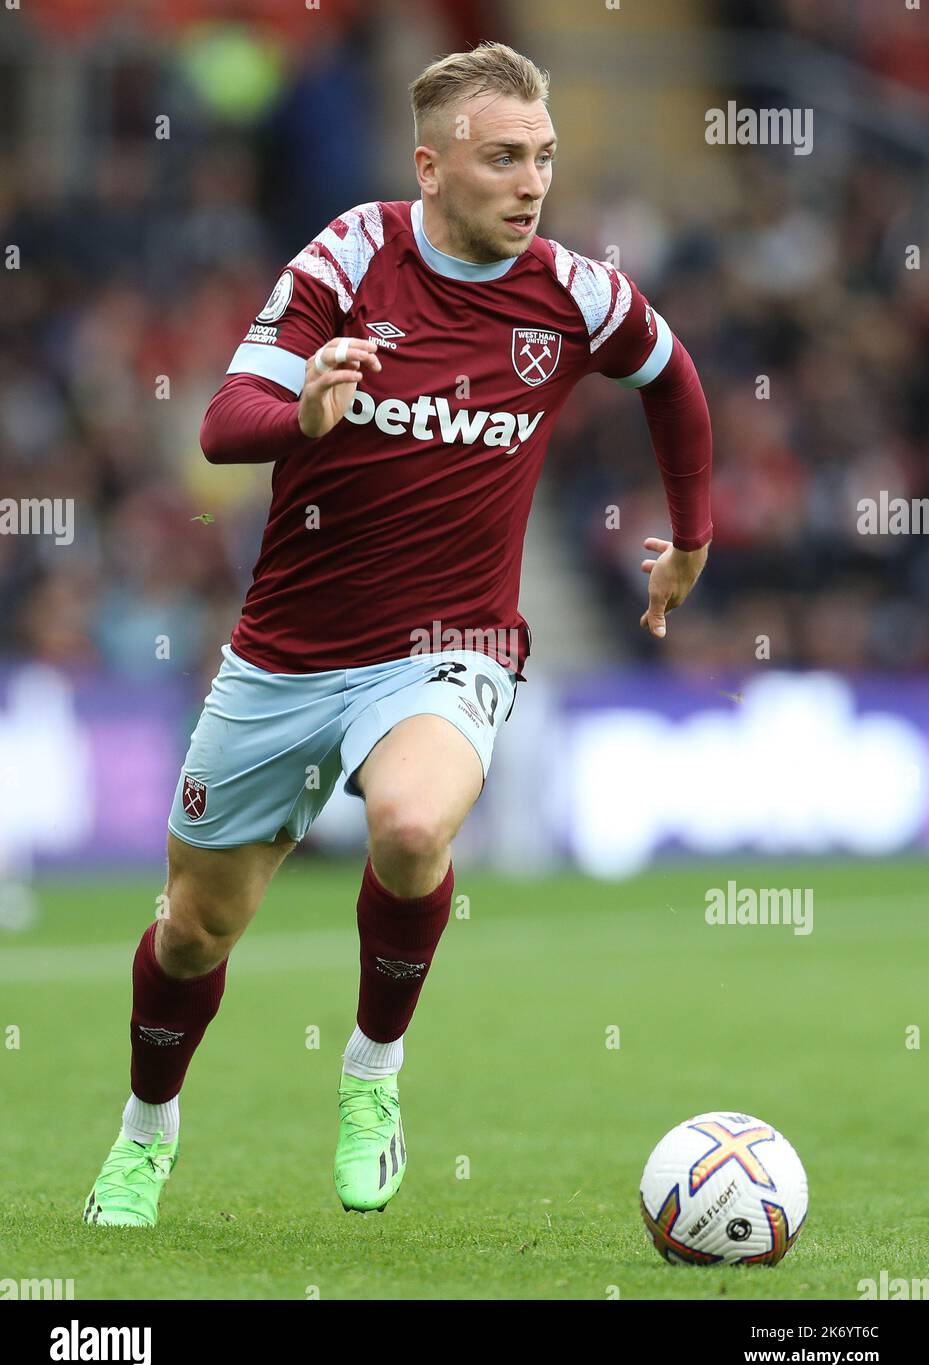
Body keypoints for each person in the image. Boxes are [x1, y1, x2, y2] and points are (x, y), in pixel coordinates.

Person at [83, 40, 712, 1227]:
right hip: (285, 652)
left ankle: (371, 1076)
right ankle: (145, 1131)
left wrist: (690, 535)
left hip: (451, 640)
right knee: (189, 932)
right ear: (430, 167)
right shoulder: (349, 253)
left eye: (543, 158)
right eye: (501, 159)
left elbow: (672, 376)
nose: (531, 184)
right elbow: (224, 424)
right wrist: (303, 405)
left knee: (414, 826)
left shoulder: (573, 292)